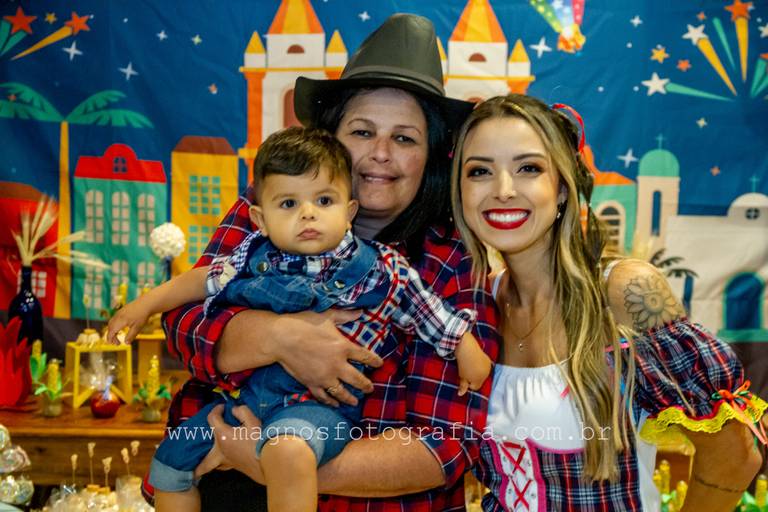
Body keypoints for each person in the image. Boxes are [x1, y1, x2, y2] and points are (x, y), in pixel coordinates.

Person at [144, 14, 501, 512]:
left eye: (404, 138)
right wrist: (278, 337)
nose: (380, 153)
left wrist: (269, 459)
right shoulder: (270, 212)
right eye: (362, 131)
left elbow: (446, 445)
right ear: (330, 138)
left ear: (431, 156)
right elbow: (184, 326)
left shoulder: (451, 258)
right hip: (225, 490)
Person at [109, 126, 491, 511]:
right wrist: (144, 305)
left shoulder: (380, 268)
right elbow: (199, 283)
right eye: (289, 204)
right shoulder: (252, 254)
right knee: (170, 462)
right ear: (260, 218)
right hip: (246, 402)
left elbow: (426, 308)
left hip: (316, 410)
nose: (308, 213)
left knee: (287, 452)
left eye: (324, 200)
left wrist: (464, 346)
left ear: (348, 211)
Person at [449, 93, 767, 511]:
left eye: (529, 168)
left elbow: (735, 457)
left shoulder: (621, 293)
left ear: (562, 188)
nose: (503, 190)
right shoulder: (475, 307)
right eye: (480, 171)